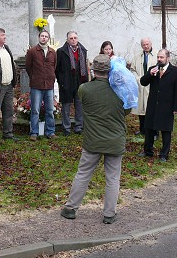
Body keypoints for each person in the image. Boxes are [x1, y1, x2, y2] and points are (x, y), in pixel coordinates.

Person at [60, 54, 127, 224]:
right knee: (112, 178)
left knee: (83, 174)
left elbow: (82, 102)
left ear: (93, 70)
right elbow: (127, 111)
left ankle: (70, 208)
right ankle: (109, 214)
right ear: (110, 70)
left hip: (92, 141)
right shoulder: (120, 91)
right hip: (115, 140)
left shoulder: (84, 89)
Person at [138, 48, 177, 162]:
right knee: (149, 128)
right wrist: (150, 74)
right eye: (158, 57)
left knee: (166, 130)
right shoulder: (152, 69)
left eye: (161, 57)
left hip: (167, 105)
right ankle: (148, 151)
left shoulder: (176, 71)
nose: (159, 59)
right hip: (153, 103)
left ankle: (164, 154)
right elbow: (143, 82)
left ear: (168, 58)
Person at [25, 30, 57, 140]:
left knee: (50, 110)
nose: (44, 38)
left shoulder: (52, 52)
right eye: (42, 36)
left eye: (46, 36)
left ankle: (50, 132)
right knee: (35, 110)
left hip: (49, 85)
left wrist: (51, 77)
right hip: (36, 85)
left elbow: (54, 67)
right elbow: (28, 67)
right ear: (39, 37)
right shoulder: (32, 51)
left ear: (48, 39)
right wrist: (35, 77)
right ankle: (34, 132)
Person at [55, 31, 89, 135]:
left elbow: (85, 66)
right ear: (67, 39)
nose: (73, 40)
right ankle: (66, 128)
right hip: (67, 82)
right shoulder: (61, 51)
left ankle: (79, 126)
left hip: (80, 81)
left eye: (75, 38)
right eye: (71, 38)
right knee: (66, 105)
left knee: (79, 104)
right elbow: (57, 68)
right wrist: (61, 81)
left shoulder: (83, 50)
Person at [130, 38, 157, 135]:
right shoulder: (137, 57)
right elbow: (132, 70)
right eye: (144, 45)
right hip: (140, 85)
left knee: (152, 110)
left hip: (152, 85)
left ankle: (154, 132)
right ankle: (142, 130)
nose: (146, 46)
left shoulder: (156, 56)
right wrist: (138, 79)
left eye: (147, 44)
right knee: (141, 109)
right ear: (141, 46)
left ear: (151, 44)